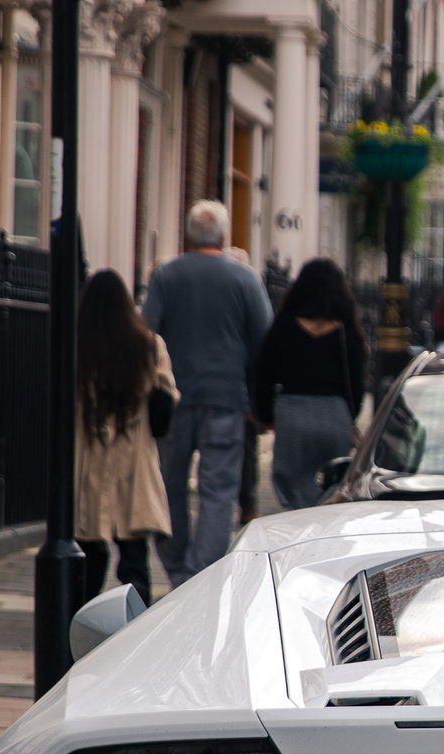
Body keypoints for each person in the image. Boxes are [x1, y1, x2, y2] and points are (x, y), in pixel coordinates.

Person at [143, 199, 273, 585]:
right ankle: (202, 576)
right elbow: (263, 340)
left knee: (170, 485)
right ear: (224, 234)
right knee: (218, 491)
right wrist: (255, 397)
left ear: (188, 234)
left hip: (174, 400)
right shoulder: (245, 278)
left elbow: (146, 331)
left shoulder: (166, 275)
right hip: (226, 400)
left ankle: (177, 566)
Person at [74, 270, 175, 602]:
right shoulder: (148, 346)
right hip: (133, 461)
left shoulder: (76, 347)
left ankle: (79, 628)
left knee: (88, 554)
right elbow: (163, 410)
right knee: (134, 561)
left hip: (87, 460)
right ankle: (135, 632)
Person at [255, 258, 369, 510]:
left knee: (294, 491)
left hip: (293, 415)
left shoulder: (283, 326)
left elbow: (263, 376)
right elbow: (357, 386)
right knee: (330, 489)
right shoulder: (347, 331)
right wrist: (349, 416)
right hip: (334, 417)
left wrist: (265, 415)